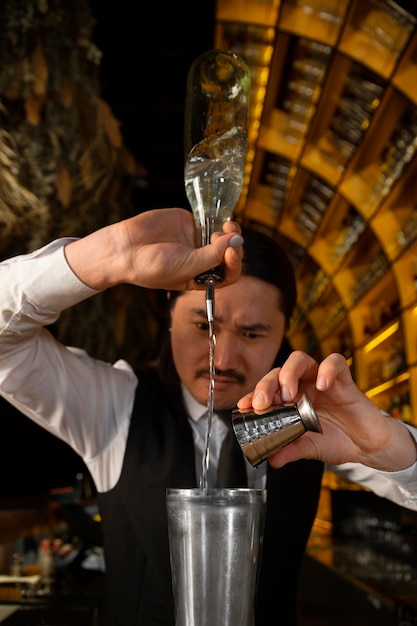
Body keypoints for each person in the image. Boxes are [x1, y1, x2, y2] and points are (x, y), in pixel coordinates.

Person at [0, 206, 415, 625]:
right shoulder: (115, 404)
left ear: (284, 331)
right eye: (204, 326)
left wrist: (384, 442)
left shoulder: (309, 419)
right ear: (169, 314)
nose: (225, 358)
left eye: (253, 333)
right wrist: (110, 256)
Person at [237, 350, 417, 511]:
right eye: (207, 327)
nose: (222, 360)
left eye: (252, 334)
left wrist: (385, 446)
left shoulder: (320, 425)